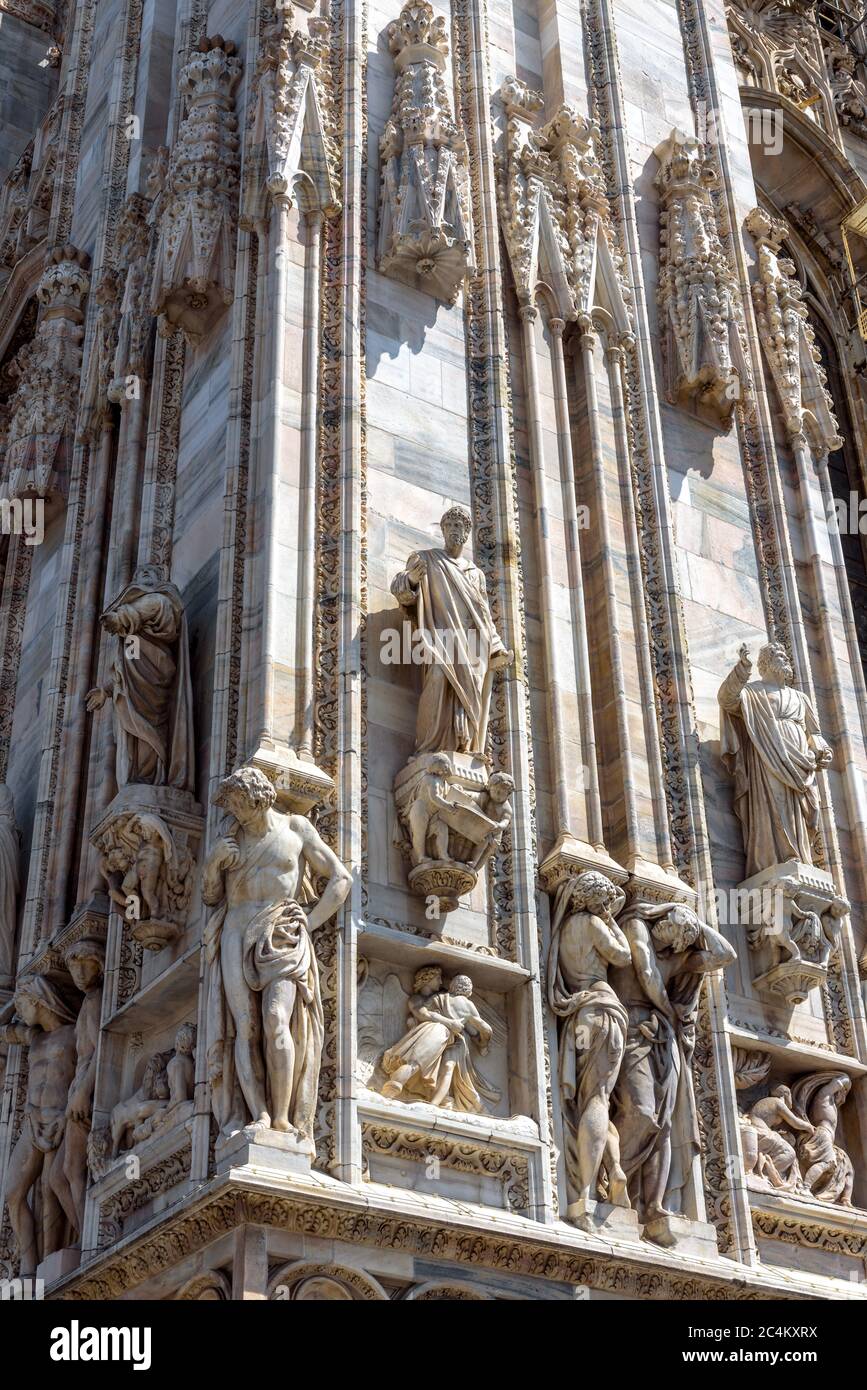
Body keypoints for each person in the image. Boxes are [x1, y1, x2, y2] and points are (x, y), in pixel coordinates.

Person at [202, 765, 351, 1141]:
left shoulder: (295, 828)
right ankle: (260, 1115)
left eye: (238, 802)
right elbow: (210, 897)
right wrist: (213, 864)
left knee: (274, 1018)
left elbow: (341, 878)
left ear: (258, 797)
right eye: (230, 804)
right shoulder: (229, 836)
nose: (233, 810)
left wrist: (311, 923)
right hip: (235, 933)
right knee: (244, 1027)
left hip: (282, 934)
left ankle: (283, 1118)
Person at [610, 903, 736, 1235]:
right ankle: (611, 1180)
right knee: (641, 1112)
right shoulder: (636, 925)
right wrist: (667, 1011)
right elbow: (648, 974)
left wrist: (696, 927)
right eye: (669, 930)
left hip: (662, 1036)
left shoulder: (680, 953)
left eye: (679, 940)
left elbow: (725, 955)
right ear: (661, 919)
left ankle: (653, 1205)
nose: (670, 941)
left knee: (665, 1124)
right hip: (630, 1026)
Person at [391, 506, 512, 755]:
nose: (454, 530)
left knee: (470, 698)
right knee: (437, 679)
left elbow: (483, 613)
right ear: (443, 530)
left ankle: (464, 746)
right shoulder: (426, 560)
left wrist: (496, 646)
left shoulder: (475, 574)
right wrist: (412, 580)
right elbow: (400, 589)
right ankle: (429, 747)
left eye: (459, 526)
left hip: (472, 648)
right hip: (440, 640)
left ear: (467, 533)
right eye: (450, 526)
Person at [547, 871, 631, 1213]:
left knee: (594, 1102)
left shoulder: (564, 929)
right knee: (599, 1099)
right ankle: (585, 1191)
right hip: (604, 1010)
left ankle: (611, 1171)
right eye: (605, 901)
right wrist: (611, 920)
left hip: (579, 1018)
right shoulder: (593, 923)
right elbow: (623, 955)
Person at [718, 642, 831, 875]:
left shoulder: (800, 698)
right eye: (779, 655)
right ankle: (774, 862)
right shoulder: (753, 692)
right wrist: (743, 668)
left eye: (785, 655)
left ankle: (802, 858)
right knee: (776, 807)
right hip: (768, 757)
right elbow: (727, 700)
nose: (785, 658)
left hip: (802, 762)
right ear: (766, 663)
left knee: (805, 811)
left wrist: (822, 750)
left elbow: (815, 733)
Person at [86, 564, 195, 792]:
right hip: (134, 679)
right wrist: (105, 690)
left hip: (155, 672)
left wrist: (121, 617)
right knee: (134, 728)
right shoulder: (132, 639)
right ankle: (137, 778)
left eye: (149, 572)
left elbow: (150, 609)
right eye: (139, 573)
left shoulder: (162, 600)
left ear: (159, 579)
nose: (143, 574)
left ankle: (151, 777)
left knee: (149, 727)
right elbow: (124, 665)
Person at [0, 977, 77, 1275]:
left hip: (60, 1119)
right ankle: (28, 1265)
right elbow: (2, 1029)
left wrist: (68, 1114)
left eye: (23, 1004)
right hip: (32, 1121)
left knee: (53, 1187)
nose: (20, 1010)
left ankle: (76, 1243)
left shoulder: (73, 1032)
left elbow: (85, 1070)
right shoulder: (35, 1038)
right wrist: (12, 999)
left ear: (40, 1001)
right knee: (13, 1193)